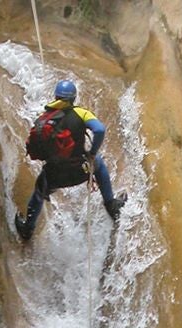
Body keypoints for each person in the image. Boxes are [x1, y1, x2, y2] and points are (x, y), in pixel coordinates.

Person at [14, 79, 126, 241]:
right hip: (81, 170)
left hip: (54, 176)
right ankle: (111, 205)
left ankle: (28, 228)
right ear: (74, 98)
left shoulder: (44, 118)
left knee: (38, 193)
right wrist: (92, 153)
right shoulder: (81, 113)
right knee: (99, 164)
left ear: (56, 96)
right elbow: (100, 130)